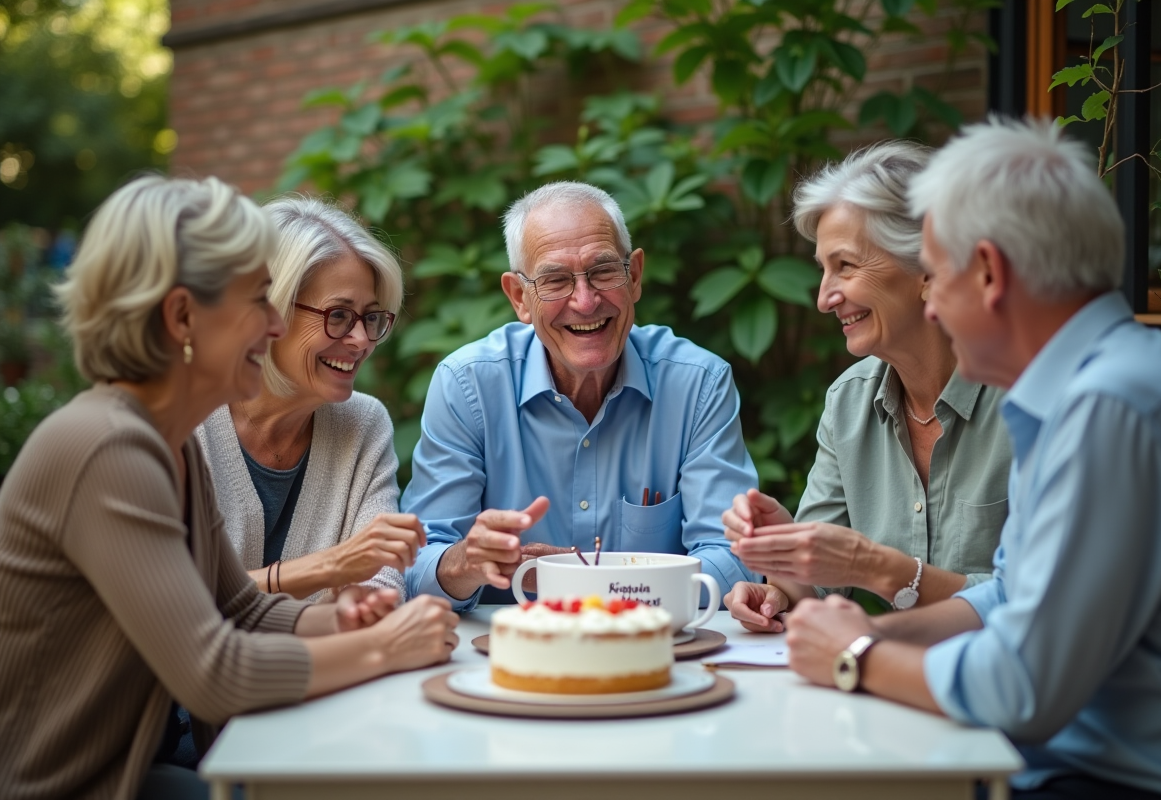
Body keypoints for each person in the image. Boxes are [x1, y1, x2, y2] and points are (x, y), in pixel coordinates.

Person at [0, 176, 459, 800]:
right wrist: (384, 648)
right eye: (257, 302)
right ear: (183, 316)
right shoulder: (109, 448)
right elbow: (214, 674)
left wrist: (343, 622)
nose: (273, 326)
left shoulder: (171, 441)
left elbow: (241, 608)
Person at [784, 118, 1161, 800]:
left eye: (937, 276)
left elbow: (1024, 687)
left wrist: (857, 658)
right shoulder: (1073, 393)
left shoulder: (1108, 407)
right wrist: (866, 629)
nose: (934, 305)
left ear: (988, 273)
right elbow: (1009, 597)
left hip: (1105, 781)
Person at [402, 181, 759, 610]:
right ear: (520, 297)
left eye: (604, 271)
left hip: (656, 652)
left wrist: (593, 587)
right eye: (554, 280)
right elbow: (417, 568)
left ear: (635, 276)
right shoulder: (467, 385)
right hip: (508, 659)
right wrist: (465, 562)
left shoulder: (698, 383)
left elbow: (735, 559)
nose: (586, 302)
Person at [722, 142, 1011, 633]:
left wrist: (887, 572)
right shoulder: (849, 401)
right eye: (822, 269)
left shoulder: (1023, 399)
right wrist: (779, 584)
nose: (823, 298)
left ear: (927, 267)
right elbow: (818, 584)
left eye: (846, 266)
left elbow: (1044, 602)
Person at [196, 196, 416, 602]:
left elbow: (380, 586)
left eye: (371, 317)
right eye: (338, 315)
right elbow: (168, 599)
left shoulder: (363, 424)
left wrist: (365, 606)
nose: (361, 339)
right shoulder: (181, 424)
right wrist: (323, 570)